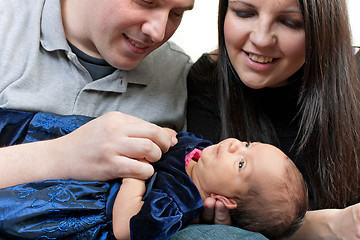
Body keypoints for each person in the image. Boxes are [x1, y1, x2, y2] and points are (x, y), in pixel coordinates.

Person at [184, 0, 360, 239]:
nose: (261, 39)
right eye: (244, 12)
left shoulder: (353, 83)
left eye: (289, 22)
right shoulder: (207, 84)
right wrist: (323, 225)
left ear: (324, 28)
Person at [0, 109, 308, 239]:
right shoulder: (200, 149)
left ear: (224, 201)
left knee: (16, 205)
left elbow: (126, 228)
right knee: (22, 131)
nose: (231, 147)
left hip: (85, 202)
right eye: (246, 144)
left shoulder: (178, 204)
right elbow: (174, 137)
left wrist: (136, 173)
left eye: (241, 164)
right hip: (88, 149)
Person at [0, 0, 194, 188]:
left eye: (177, 13)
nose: (158, 32)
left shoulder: (180, 75)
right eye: (146, 1)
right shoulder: (6, 23)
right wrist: (62, 156)